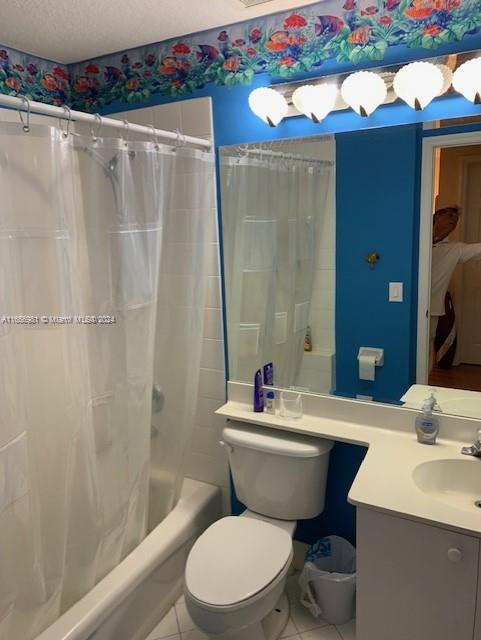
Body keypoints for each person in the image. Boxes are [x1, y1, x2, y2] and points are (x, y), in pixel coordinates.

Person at [430, 206, 481, 369]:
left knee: (425, 354)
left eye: (455, 221)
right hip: (402, 306)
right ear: (436, 217)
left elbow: (477, 250)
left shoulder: (455, 249)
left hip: (431, 311)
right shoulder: (415, 241)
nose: (453, 222)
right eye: (449, 216)